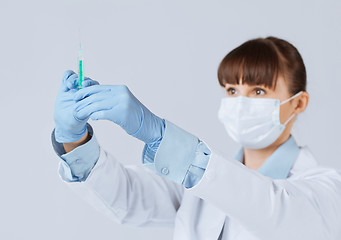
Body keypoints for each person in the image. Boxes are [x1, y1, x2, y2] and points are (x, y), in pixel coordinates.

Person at [51, 36, 341, 240]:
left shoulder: (326, 192)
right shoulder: (202, 185)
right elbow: (126, 197)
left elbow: (272, 208)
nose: (240, 103)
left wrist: (160, 135)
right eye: (231, 91)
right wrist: (73, 139)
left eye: (259, 91)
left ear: (299, 103)